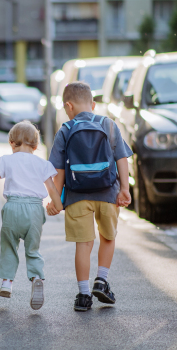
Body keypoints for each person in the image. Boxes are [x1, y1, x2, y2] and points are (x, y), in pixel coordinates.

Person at [46, 82, 133, 312]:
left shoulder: (65, 129)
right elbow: (122, 158)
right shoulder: (108, 124)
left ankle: (84, 295)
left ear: (68, 105)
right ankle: (101, 281)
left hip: (76, 196)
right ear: (93, 104)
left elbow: (59, 172)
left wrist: (57, 200)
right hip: (108, 193)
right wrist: (124, 188)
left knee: (83, 244)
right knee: (108, 237)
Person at [0, 121, 63, 310]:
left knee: (9, 246)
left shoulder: (6, 160)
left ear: (11, 142)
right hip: (34, 210)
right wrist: (57, 206)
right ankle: (37, 278)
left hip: (13, 208)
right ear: (36, 145)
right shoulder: (42, 163)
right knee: (32, 249)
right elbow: (52, 189)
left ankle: (7, 283)